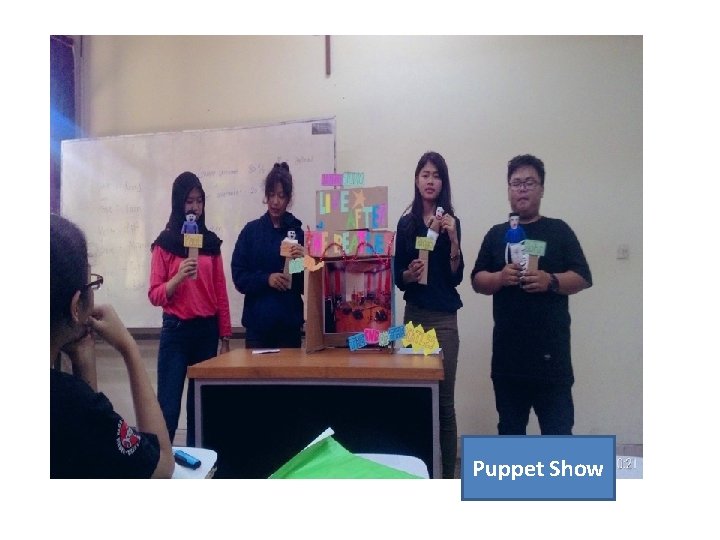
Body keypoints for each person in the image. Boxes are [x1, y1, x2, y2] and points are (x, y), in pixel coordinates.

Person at [471, 154, 593, 435]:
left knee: (558, 436)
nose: (522, 189)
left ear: (542, 189)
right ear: (508, 189)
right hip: (508, 360)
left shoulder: (559, 230)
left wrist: (550, 280)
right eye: (516, 183)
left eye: (529, 182)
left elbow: (583, 277)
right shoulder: (496, 234)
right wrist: (500, 278)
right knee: (510, 436)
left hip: (552, 359)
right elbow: (477, 280)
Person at [51, 214, 174, 478]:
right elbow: (162, 466)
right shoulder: (71, 403)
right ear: (75, 306)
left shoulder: (73, 401)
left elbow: (91, 447)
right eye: (91, 283)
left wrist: (84, 359)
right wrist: (129, 347)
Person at [148, 171, 232, 446]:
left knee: (201, 409)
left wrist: (225, 337)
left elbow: (220, 292)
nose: (194, 207)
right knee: (168, 409)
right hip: (176, 332)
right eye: (188, 201)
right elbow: (155, 294)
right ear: (178, 203)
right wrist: (177, 277)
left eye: (199, 201)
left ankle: (201, 464)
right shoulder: (165, 243)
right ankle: (162, 464)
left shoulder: (211, 243)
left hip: (206, 333)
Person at [394, 151, 464, 479]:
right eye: (425, 174)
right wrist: (409, 273)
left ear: (443, 182)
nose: (430, 181)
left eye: (436, 175)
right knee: (419, 398)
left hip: (444, 320)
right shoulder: (407, 223)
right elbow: (398, 276)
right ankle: (419, 475)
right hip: (416, 319)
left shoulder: (452, 222)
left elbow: (456, 276)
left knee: (445, 404)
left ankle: (447, 480)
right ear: (417, 179)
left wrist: (453, 240)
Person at [231, 162, 305, 348]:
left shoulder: (297, 233)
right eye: (271, 195)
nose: (275, 201)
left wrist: (302, 261)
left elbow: (302, 284)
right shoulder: (251, 232)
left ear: (288, 199)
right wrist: (267, 279)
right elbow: (239, 276)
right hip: (258, 329)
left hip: (289, 328)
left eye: (281, 196)